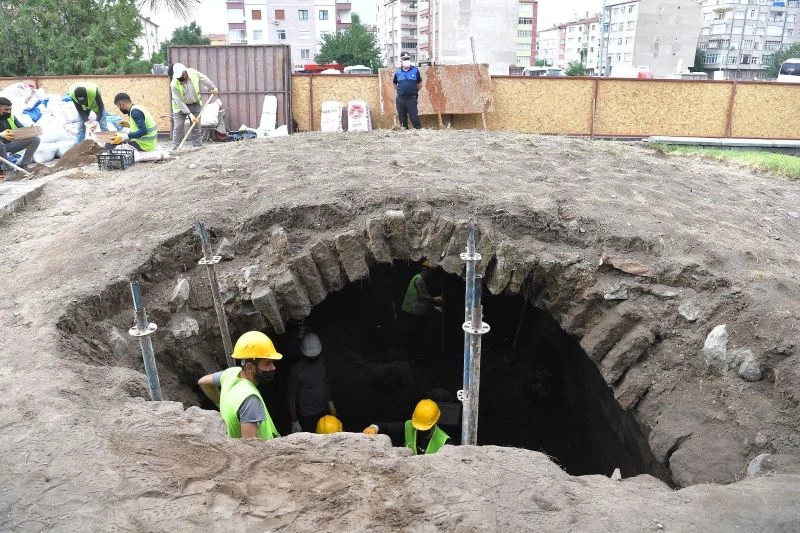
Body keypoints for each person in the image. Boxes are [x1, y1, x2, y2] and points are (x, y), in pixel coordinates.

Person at [197, 331, 282, 440]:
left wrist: (219, 403)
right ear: (250, 367)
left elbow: (203, 382)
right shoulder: (250, 399)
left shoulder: (230, 373)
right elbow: (247, 448)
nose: (273, 368)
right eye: (268, 363)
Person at [287, 332, 337, 433]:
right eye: (310, 356)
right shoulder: (297, 370)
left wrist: (330, 401)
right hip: (307, 415)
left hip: (323, 409)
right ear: (302, 351)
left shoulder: (322, 361)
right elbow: (291, 396)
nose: (313, 358)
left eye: (315, 355)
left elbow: (325, 381)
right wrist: (294, 421)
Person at [363, 399, 450, 455]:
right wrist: (374, 427)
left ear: (435, 422)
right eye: (418, 427)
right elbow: (385, 426)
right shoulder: (409, 426)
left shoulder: (444, 441)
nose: (421, 430)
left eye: (425, 428)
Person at [170, 62, 219, 150]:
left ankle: (197, 146)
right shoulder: (174, 84)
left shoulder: (192, 72)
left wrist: (213, 87)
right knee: (178, 127)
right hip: (180, 107)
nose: (181, 79)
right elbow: (179, 101)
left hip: (194, 104)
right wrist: (189, 114)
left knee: (196, 126)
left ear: (185, 72)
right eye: (179, 78)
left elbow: (204, 78)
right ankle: (175, 148)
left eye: (182, 77)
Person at [401, 259, 443, 356]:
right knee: (415, 334)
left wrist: (436, 307)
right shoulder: (419, 279)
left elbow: (423, 300)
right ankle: (413, 355)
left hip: (415, 310)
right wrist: (435, 299)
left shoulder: (420, 279)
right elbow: (421, 296)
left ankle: (415, 354)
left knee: (416, 333)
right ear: (427, 270)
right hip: (412, 311)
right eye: (431, 271)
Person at [0, 97, 40, 181]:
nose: (9, 111)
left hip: (9, 144)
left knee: (35, 139)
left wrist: (29, 130)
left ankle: (23, 166)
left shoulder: (11, 117)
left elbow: (21, 128)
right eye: (6, 109)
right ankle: (7, 170)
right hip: (1, 146)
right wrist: (1, 134)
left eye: (10, 109)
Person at [393, 51, 423, 129]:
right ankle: (404, 134)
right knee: (402, 119)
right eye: (404, 59)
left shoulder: (415, 70)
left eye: (408, 59)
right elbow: (394, 83)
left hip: (411, 99)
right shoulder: (398, 72)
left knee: (414, 118)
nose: (406, 61)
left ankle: (418, 132)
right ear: (401, 61)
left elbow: (420, 84)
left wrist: (414, 91)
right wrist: (400, 91)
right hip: (400, 99)